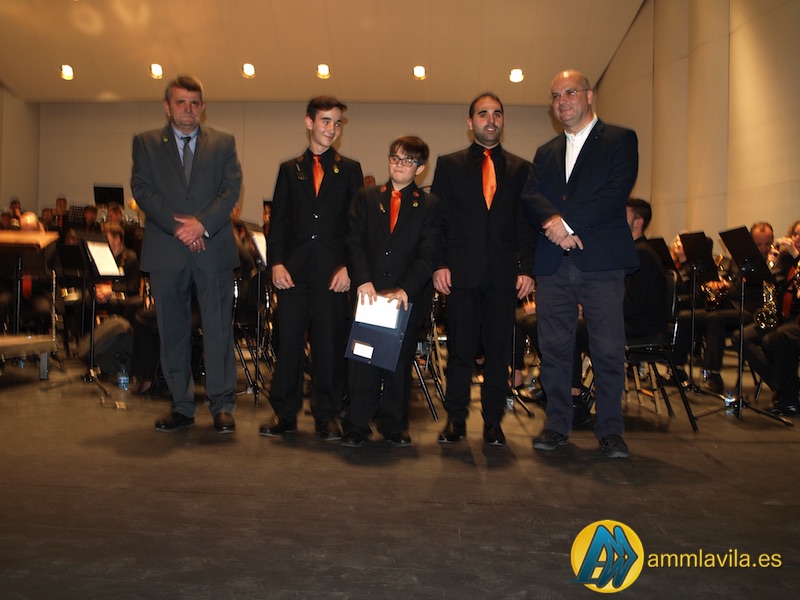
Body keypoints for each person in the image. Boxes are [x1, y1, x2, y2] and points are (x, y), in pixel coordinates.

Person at [521, 69, 639, 458]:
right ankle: (557, 425)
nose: (562, 101)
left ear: (589, 96)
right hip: (554, 263)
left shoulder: (620, 140)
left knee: (607, 349)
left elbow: (614, 193)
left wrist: (565, 224)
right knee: (554, 349)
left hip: (601, 261)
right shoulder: (545, 152)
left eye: (570, 92)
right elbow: (531, 196)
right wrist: (554, 227)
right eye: (556, 96)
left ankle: (610, 430)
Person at [131, 74, 243, 434]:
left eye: (194, 103)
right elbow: (142, 190)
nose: (188, 109)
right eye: (180, 102)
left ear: (203, 107)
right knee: (172, 331)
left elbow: (230, 190)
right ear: (167, 106)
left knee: (218, 331)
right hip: (167, 250)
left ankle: (222, 406)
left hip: (213, 249)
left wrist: (201, 225)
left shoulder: (224, 142)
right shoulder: (146, 143)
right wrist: (181, 227)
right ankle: (181, 405)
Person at [431, 92, 535, 446]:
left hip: (504, 276)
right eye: (483, 114)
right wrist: (439, 264)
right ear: (470, 121)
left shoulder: (521, 169)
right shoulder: (449, 165)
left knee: (497, 353)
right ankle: (456, 420)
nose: (491, 120)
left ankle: (493, 422)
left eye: (497, 114)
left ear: (503, 121)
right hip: (461, 274)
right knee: (460, 352)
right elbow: (439, 221)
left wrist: (527, 269)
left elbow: (525, 225)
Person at [259, 96, 364, 441]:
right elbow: (278, 223)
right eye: (325, 121)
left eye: (337, 123)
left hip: (334, 274)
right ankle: (284, 413)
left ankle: (327, 415)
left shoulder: (350, 170)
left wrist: (349, 268)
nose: (332, 129)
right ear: (309, 122)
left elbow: (356, 227)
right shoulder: (290, 170)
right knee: (288, 343)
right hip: (293, 272)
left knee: (328, 345)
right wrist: (276, 263)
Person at [340, 136, 440, 448]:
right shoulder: (367, 196)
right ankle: (357, 424)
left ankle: (394, 425)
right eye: (395, 158)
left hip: (404, 299)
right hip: (368, 294)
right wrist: (363, 280)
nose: (399, 165)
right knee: (363, 362)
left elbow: (428, 254)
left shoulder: (429, 205)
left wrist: (405, 289)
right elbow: (353, 240)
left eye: (408, 160)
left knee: (398, 363)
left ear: (420, 168)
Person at [701, 222, 778, 394]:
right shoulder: (743, 260)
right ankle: (705, 372)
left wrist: (772, 265)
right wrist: (724, 285)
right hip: (737, 305)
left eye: (767, 243)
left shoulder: (776, 261)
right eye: (758, 244)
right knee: (703, 315)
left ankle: (713, 374)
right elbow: (736, 285)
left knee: (715, 319)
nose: (763, 249)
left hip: (755, 311)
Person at [624, 198, 668, 340]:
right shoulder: (635, 251)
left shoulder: (642, 254)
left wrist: (598, 308)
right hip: (632, 321)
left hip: (642, 327)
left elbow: (632, 304)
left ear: (638, 222)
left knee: (579, 329)